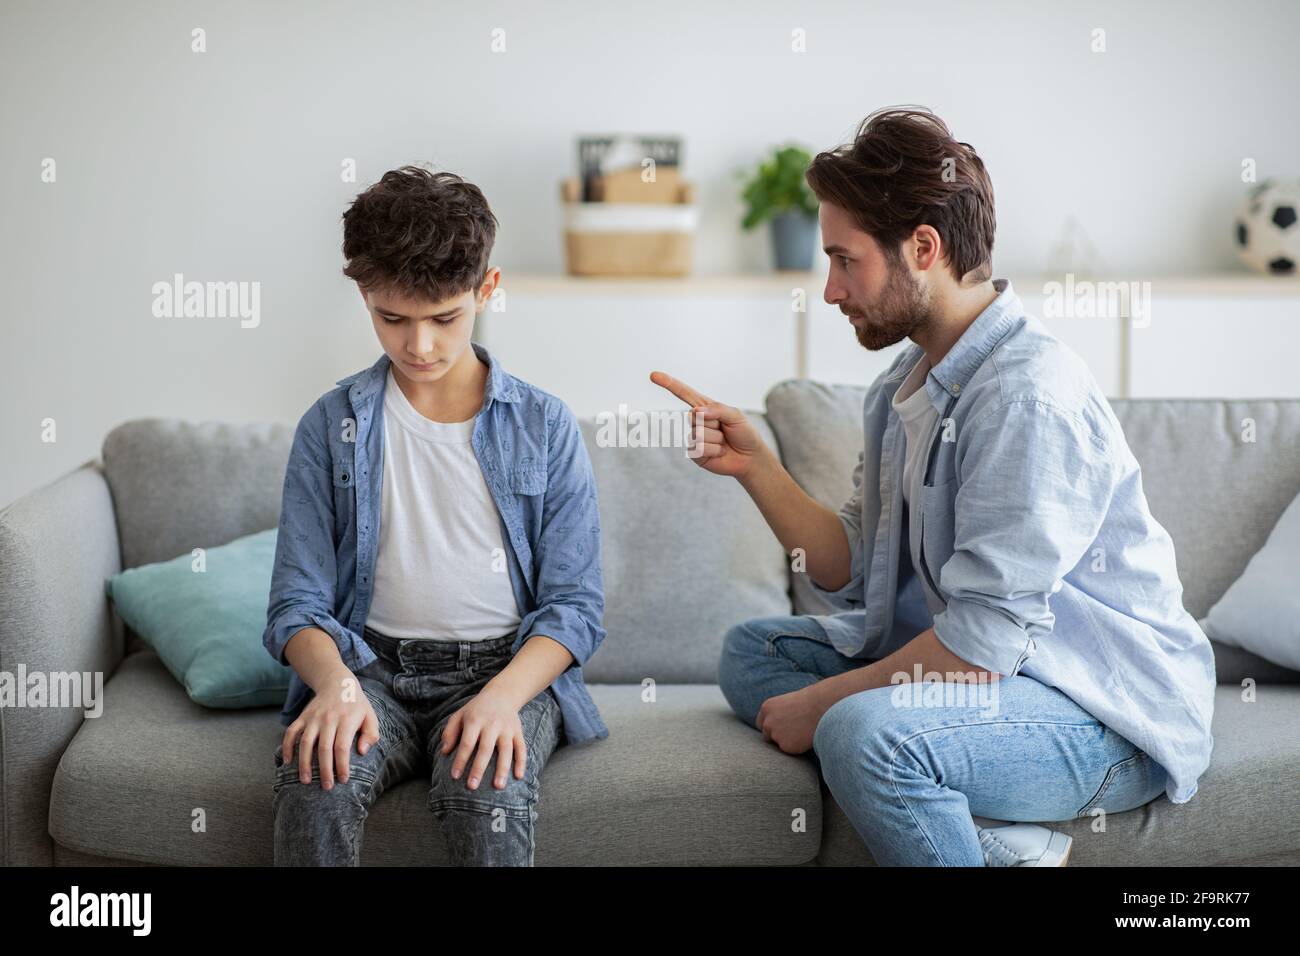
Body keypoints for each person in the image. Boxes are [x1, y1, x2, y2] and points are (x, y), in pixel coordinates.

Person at [651, 107, 1215, 867]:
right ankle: (984, 837)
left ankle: (928, 794)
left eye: (844, 260)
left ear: (923, 248)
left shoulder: (1027, 396)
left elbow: (980, 649)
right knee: (752, 655)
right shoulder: (902, 385)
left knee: (860, 731)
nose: (829, 291)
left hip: (1097, 712)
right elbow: (851, 568)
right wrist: (758, 467)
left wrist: (826, 705)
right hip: (992, 680)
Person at [263, 166, 607, 866]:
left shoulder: (544, 425)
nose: (419, 347)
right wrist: (335, 685)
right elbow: (295, 603)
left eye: (445, 318)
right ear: (364, 295)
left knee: (484, 794)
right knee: (314, 777)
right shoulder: (330, 428)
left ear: (488, 288)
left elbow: (576, 607)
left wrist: (504, 699)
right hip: (371, 669)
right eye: (393, 319)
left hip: (501, 669)